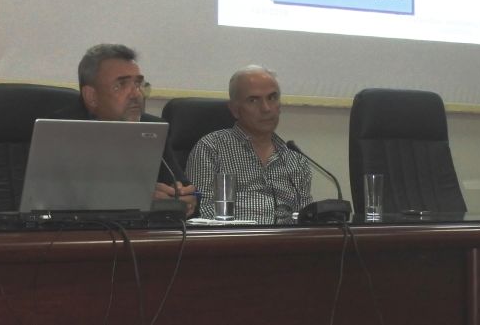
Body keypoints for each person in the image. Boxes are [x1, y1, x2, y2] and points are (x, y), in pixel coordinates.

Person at [57, 44, 198, 217]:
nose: (136, 94)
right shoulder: (61, 131)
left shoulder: (152, 128)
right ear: (91, 96)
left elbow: (181, 187)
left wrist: (184, 198)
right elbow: (59, 199)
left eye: (138, 84)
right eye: (121, 85)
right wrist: (137, 198)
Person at [186, 65, 312, 223]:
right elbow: (199, 211)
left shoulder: (297, 160)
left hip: (286, 237)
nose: (266, 108)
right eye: (253, 100)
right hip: (231, 236)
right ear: (234, 109)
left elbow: (307, 218)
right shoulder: (211, 148)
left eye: (272, 98)